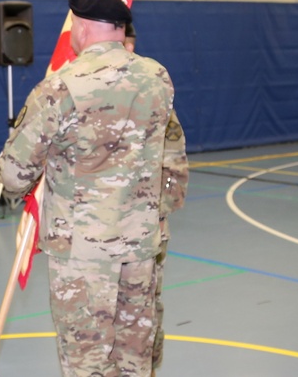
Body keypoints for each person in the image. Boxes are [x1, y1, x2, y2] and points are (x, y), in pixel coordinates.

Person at [0, 0, 188, 377]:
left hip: (82, 254)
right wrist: (158, 214)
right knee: (135, 358)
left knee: (87, 361)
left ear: (81, 28)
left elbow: (14, 175)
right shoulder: (157, 78)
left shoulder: (61, 87)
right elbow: (174, 154)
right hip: (140, 246)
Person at [122, 22, 189, 376]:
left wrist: (161, 212)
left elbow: (174, 156)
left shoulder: (154, 92)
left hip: (147, 226)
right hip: (101, 230)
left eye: (131, 46)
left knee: (146, 309)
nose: (127, 53)